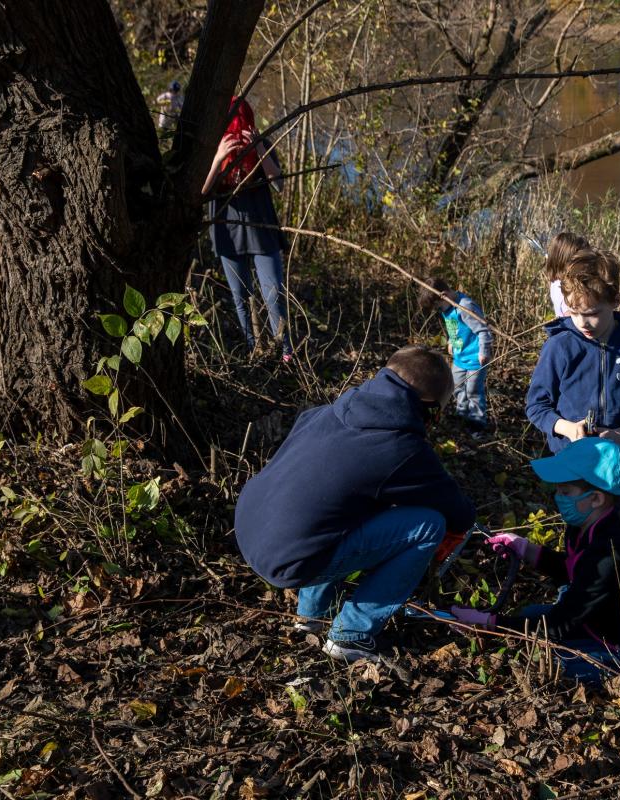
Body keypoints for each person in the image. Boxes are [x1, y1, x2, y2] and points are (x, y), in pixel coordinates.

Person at [234, 345, 476, 663]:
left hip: (249, 532)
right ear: (427, 407)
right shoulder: (402, 449)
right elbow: (460, 513)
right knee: (428, 526)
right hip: (290, 561)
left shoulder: (323, 413)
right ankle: (351, 635)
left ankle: (312, 617)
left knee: (340, 508)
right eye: (438, 413)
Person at [449, 437, 620, 694]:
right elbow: (574, 571)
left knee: (554, 662)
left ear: (596, 498)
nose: (558, 497)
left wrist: (489, 622)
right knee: (531, 615)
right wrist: (526, 549)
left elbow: (557, 625)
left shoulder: (609, 553)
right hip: (599, 626)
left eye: (565, 492)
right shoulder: (582, 527)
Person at [526, 250, 620, 460]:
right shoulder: (559, 346)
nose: (582, 322)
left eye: (592, 313)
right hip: (568, 455)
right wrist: (568, 429)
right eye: (573, 312)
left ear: (615, 301)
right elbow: (536, 405)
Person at [201, 96, 293, 362]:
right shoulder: (212, 148)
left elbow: (279, 185)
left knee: (273, 291)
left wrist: (259, 148)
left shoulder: (259, 141)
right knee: (241, 296)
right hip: (228, 232)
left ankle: (285, 350)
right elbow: (201, 193)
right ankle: (253, 347)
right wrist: (219, 158)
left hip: (262, 229)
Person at [418, 277, 493, 435]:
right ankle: (462, 414)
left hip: (475, 359)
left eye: (438, 307)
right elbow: (454, 328)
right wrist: (451, 342)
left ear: (444, 295)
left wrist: (484, 351)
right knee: (457, 386)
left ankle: (477, 423)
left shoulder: (465, 307)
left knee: (473, 390)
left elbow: (483, 330)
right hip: (459, 357)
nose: (439, 311)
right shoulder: (447, 307)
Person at [543, 231, 590, 318]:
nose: (586, 264)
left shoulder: (558, 282)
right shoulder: (561, 287)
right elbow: (571, 316)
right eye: (581, 260)